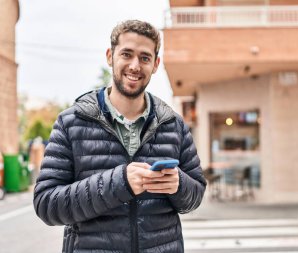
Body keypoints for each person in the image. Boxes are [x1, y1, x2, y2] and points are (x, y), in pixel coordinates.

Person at [33, 20, 206, 253]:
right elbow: (47, 205)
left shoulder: (174, 125)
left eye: (144, 58)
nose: (135, 66)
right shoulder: (71, 122)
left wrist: (179, 185)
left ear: (155, 64)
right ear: (110, 56)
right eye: (126, 54)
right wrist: (119, 182)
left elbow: (195, 196)